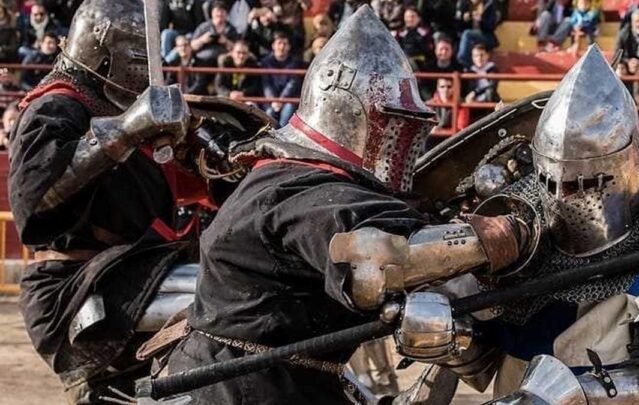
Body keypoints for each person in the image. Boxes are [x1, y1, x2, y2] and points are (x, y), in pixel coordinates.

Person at [164, 6, 532, 403]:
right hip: (243, 387)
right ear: (351, 113)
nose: (402, 144)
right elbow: (379, 258)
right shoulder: (303, 188)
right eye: (395, 125)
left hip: (281, 376)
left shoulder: (289, 174)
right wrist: (508, 234)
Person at [394, 45, 639, 402]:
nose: (566, 199)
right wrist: (445, 331)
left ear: (628, 163)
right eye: (553, 183)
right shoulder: (520, 223)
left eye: (586, 184)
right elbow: (475, 339)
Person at [7, 0, 202, 402]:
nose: (145, 71)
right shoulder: (56, 106)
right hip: (78, 285)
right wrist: (127, 130)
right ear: (104, 53)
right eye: (138, 59)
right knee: (216, 298)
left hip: (131, 271)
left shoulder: (118, 110)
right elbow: (35, 201)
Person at [260, 30, 303, 126]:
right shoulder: (265, 62)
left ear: (289, 47)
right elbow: (266, 84)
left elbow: (292, 83)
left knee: (289, 109)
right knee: (269, 113)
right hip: (270, 100)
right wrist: (273, 100)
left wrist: (282, 100)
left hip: (288, 99)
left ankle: (282, 134)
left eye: (285, 44)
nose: (282, 46)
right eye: (279, 43)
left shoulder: (295, 62)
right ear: (273, 46)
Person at [190, 1, 239, 66]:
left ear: (226, 14)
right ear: (212, 13)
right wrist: (202, 40)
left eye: (222, 12)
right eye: (217, 11)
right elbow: (192, 46)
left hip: (223, 59)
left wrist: (226, 42)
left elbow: (238, 48)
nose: (219, 14)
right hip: (203, 58)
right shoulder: (203, 27)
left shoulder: (231, 29)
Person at [455, 0, 500, 68]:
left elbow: (492, 26)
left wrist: (481, 20)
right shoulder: (463, 4)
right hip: (469, 39)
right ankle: (469, 68)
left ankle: (462, 61)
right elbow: (457, 26)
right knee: (465, 38)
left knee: (467, 34)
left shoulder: (489, 5)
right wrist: (463, 19)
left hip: (486, 37)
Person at [464, 43, 500, 121]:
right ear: (472, 57)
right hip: (474, 101)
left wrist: (475, 92)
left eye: (482, 55)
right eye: (476, 56)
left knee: (490, 92)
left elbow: (492, 85)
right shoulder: (470, 71)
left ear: (487, 55)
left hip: (489, 99)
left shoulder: (493, 69)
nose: (479, 58)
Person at [420, 35, 462, 99]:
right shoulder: (427, 68)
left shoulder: (458, 68)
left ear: (452, 51)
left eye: (447, 49)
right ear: (436, 50)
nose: (444, 52)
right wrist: (430, 100)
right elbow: (423, 87)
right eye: (441, 49)